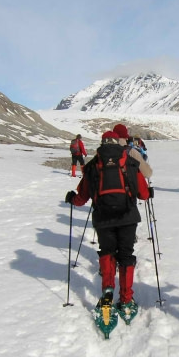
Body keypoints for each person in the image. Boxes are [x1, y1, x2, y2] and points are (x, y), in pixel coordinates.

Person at [65, 131, 150, 327]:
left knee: (107, 253)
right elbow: (143, 194)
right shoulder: (129, 162)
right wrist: (147, 193)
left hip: (103, 218)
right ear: (117, 143)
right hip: (128, 217)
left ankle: (107, 293)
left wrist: (72, 198)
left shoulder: (93, 165)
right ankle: (127, 298)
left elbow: (82, 197)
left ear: (102, 143)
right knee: (126, 255)